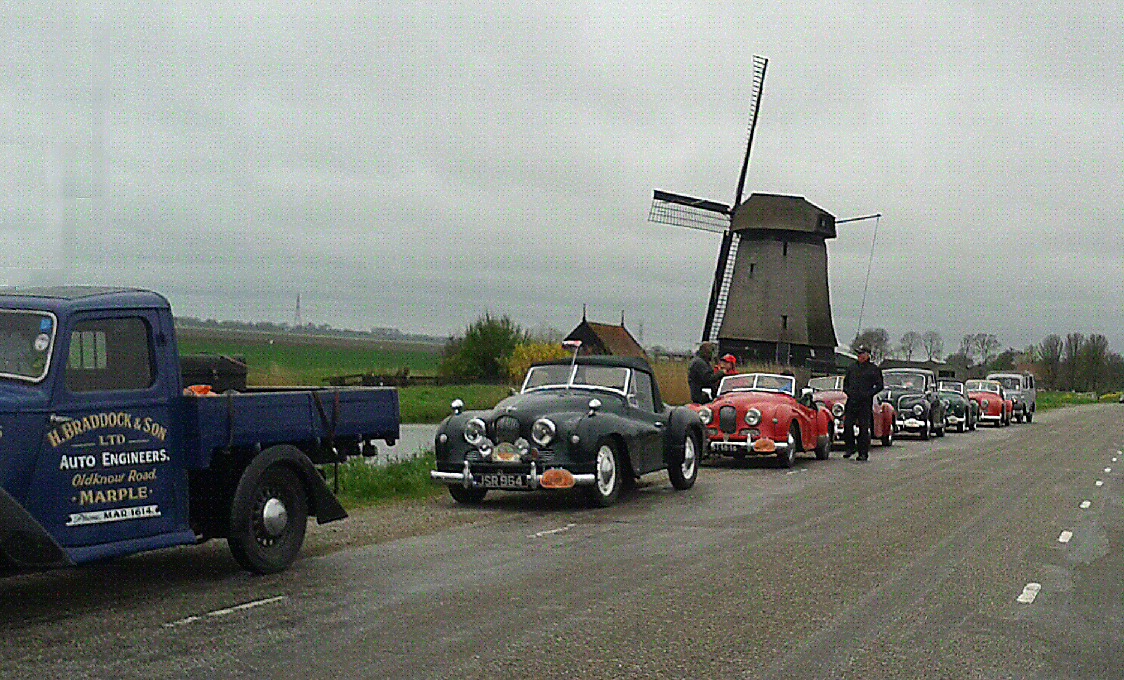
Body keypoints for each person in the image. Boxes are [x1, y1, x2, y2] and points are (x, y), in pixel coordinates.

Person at [842, 345, 883, 461]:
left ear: (867, 355)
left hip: (865, 403)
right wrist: (848, 392)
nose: (859, 356)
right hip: (852, 401)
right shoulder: (852, 368)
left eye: (861, 354)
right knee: (847, 425)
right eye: (858, 354)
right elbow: (845, 383)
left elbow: (880, 385)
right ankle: (850, 448)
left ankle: (863, 453)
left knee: (863, 429)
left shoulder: (873, 369)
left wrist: (869, 394)